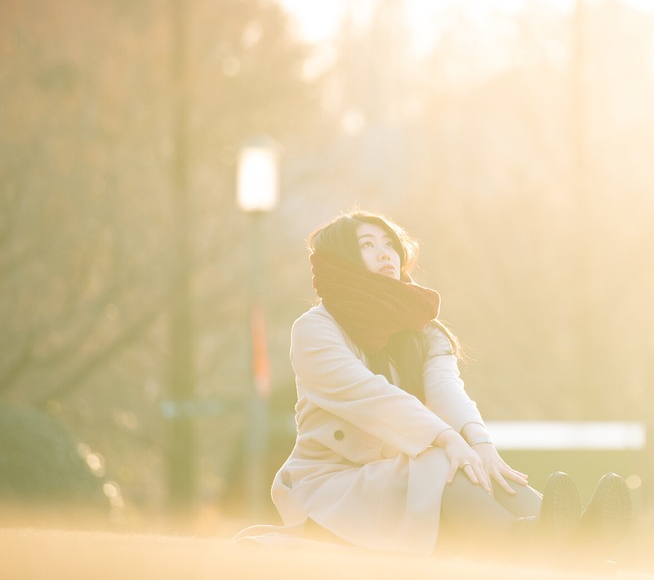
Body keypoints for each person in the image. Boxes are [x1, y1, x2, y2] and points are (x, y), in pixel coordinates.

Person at [236, 210, 631, 561]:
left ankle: (577, 539)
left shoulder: (419, 327)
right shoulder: (315, 329)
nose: (385, 252)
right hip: (335, 484)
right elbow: (370, 395)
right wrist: (445, 438)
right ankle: (533, 540)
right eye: (368, 245)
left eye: (389, 243)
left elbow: (446, 388)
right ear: (340, 260)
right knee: (442, 460)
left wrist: (479, 443)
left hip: (402, 467)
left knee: (473, 460)